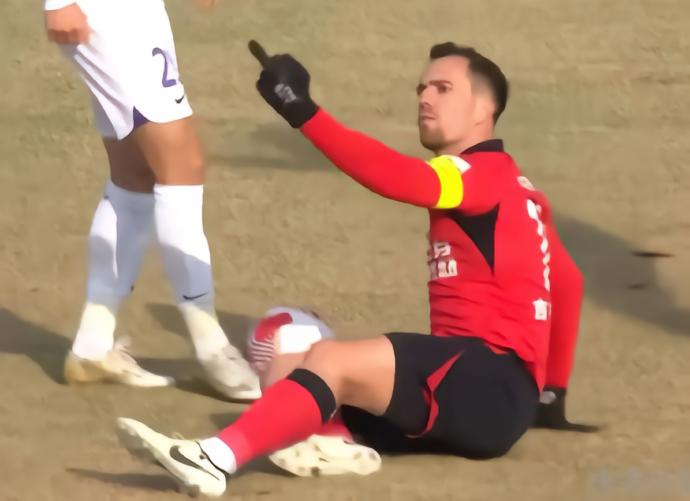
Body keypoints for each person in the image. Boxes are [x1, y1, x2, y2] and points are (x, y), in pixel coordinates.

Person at [114, 41, 599, 497]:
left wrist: (303, 111)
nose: (425, 98)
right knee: (291, 358)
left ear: (483, 109)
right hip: (470, 396)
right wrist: (550, 396)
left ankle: (214, 459)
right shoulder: (520, 192)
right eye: (422, 88)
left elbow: (396, 177)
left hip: (483, 383)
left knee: (330, 360)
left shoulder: (478, 173)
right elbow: (568, 282)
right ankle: (329, 443)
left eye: (443, 88)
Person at [43, 0, 259, 400]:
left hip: (132, 13)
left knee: (134, 175)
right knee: (182, 167)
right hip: (106, 15)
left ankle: (92, 346)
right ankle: (213, 351)